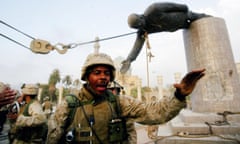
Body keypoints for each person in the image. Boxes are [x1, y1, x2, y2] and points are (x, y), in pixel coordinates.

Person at [47, 52, 205, 144]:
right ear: (86, 77)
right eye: (97, 73)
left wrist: (179, 95)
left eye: (107, 73)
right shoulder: (69, 105)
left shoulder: (119, 102)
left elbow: (156, 112)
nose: (103, 77)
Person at [120, 2, 211, 73]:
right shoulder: (143, 30)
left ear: (140, 16)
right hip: (179, 26)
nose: (140, 26)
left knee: (206, 20)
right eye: (137, 27)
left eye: (139, 24)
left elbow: (174, 6)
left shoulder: (153, 9)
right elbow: (137, 46)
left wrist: (185, 9)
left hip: (186, 16)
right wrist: (129, 60)